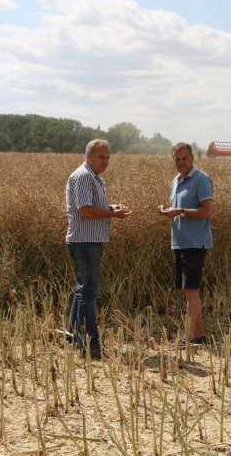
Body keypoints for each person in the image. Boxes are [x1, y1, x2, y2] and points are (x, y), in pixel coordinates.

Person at [64, 139, 131, 359]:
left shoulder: (95, 178)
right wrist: (113, 214)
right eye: (101, 157)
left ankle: (73, 337)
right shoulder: (83, 176)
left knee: (83, 289)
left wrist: (111, 208)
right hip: (84, 241)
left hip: (90, 240)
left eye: (108, 157)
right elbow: (85, 211)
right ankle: (89, 345)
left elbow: (93, 207)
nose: (106, 161)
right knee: (89, 292)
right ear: (89, 156)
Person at [158, 142, 214, 346]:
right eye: (177, 159)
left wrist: (180, 211)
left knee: (190, 289)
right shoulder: (176, 181)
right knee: (186, 289)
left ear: (192, 158)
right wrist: (168, 210)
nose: (181, 162)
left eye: (184, 158)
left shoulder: (201, 179)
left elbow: (207, 211)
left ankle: (189, 338)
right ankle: (198, 335)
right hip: (179, 242)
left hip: (195, 242)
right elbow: (178, 207)